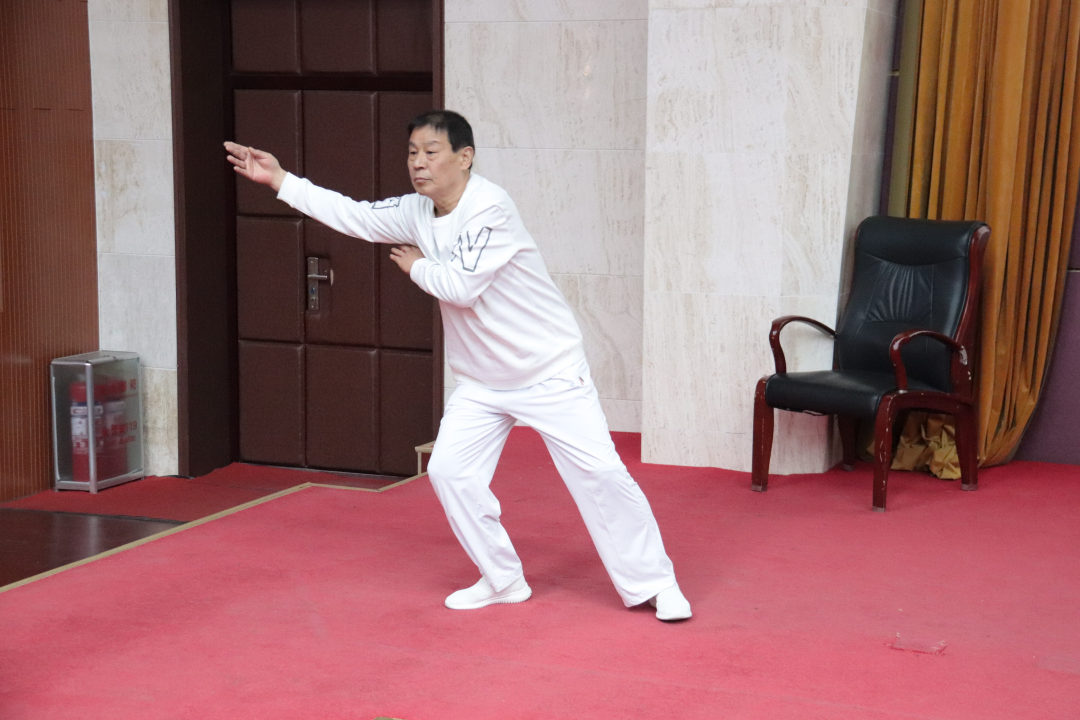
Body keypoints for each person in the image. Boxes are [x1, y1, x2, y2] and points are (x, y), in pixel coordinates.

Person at [224, 110, 692, 621]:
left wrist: (417, 266)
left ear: (465, 157)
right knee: (449, 472)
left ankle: (656, 583)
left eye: (431, 152)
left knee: (601, 474)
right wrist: (281, 180)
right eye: (412, 153)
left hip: (548, 371)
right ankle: (503, 579)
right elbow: (354, 216)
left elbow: (461, 288)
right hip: (481, 382)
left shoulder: (490, 207)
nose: (418, 164)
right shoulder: (415, 211)